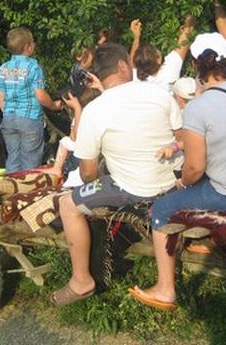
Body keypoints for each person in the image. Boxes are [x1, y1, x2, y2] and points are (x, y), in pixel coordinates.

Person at [128, 44, 226, 311]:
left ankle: (165, 289)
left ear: (197, 67)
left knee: (162, 208)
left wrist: (182, 184)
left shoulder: (198, 109)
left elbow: (195, 169)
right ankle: (214, 240)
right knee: (209, 184)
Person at [50, 42, 182, 306]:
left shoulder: (95, 110)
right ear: (123, 65)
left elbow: (87, 173)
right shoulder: (160, 94)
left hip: (131, 188)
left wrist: (96, 182)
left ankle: (81, 281)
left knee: (67, 205)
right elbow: (181, 138)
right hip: (171, 183)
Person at [0, 27, 63, 172]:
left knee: (13, 158)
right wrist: (54, 106)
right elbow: (40, 95)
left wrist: (8, 112)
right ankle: (28, 192)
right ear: (28, 47)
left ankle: (12, 191)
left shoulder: (3, 68)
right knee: (30, 163)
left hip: (8, 119)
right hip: (29, 120)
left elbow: (0, 95)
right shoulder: (33, 66)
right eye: (33, 42)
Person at [129, 16, 195, 92]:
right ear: (158, 60)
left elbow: (132, 63)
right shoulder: (169, 70)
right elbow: (187, 35)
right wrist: (191, 14)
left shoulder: (136, 79)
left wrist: (136, 37)